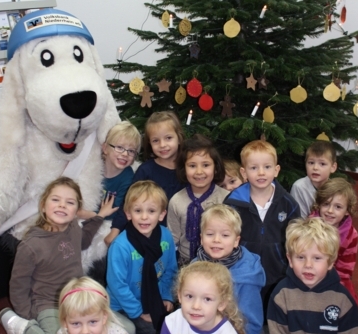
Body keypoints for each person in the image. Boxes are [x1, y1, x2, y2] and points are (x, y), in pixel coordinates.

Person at [0, 177, 134, 334]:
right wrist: (30, 321)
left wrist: (99, 216)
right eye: (55, 200)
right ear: (43, 205)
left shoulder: (73, 228)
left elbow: (84, 241)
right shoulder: (30, 245)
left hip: (77, 299)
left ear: (76, 211)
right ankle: (16, 324)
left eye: (69, 202)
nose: (62, 205)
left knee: (128, 330)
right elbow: (18, 286)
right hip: (47, 305)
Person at [224, 140, 300, 314]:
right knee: (244, 311)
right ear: (243, 172)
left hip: (277, 270)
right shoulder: (233, 203)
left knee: (273, 312)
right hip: (242, 271)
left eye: (267, 167)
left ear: (276, 170)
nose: (261, 173)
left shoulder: (288, 203)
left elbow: (297, 239)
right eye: (253, 168)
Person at [106, 180, 178, 334]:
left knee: (177, 326)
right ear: (129, 213)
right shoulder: (120, 246)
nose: (144, 217)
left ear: (161, 214)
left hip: (154, 297)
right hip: (123, 306)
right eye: (138, 210)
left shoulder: (166, 236)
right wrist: (139, 312)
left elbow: (171, 270)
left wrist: (167, 296)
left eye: (151, 211)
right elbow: (118, 285)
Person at [194, 204, 265, 334]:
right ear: (201, 238)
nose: (216, 240)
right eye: (210, 234)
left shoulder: (247, 276)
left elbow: (252, 322)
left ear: (236, 241)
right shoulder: (194, 267)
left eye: (225, 235)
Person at [109, 111, 185, 239]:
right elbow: (128, 202)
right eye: (156, 140)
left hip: (178, 237)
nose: (162, 145)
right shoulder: (146, 170)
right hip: (145, 234)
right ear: (149, 143)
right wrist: (115, 230)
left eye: (168, 138)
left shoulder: (188, 168)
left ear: (179, 138)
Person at [75, 121, 141, 245]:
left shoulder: (128, 178)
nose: (125, 154)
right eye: (120, 147)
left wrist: (90, 214)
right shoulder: (93, 167)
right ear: (105, 148)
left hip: (104, 222)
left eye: (131, 151)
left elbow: (116, 210)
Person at [167, 134, 228, 265]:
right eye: (192, 166)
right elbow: (172, 239)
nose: (199, 171)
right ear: (184, 169)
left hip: (220, 263)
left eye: (205, 165)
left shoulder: (226, 198)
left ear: (216, 168)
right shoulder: (176, 201)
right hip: (185, 263)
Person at [311, 178, 358, 303]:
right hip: (309, 273)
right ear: (319, 204)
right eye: (326, 204)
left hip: (335, 278)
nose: (330, 211)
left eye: (338, 207)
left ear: (347, 211)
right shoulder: (309, 227)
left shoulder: (350, 235)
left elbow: (345, 269)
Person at [290, 141, 337, 218]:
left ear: (333, 167)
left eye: (322, 164)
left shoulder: (336, 189)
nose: (315, 168)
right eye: (311, 163)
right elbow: (298, 220)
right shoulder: (299, 187)